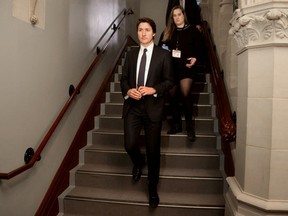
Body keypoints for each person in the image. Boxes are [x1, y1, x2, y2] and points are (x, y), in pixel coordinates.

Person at [120, 17, 174, 208]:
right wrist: (128, 90)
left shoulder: (163, 55)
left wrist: (154, 89)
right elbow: (124, 78)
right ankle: (137, 162)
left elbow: (169, 82)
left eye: (147, 30)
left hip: (153, 108)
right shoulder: (131, 54)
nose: (143, 33)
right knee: (129, 144)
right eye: (140, 30)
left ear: (153, 33)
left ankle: (152, 188)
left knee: (153, 151)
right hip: (133, 108)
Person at [159, 5, 204, 141]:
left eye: (179, 14)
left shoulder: (193, 31)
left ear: (183, 15)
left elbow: (201, 50)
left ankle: (190, 126)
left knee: (185, 93)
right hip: (171, 69)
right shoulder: (167, 32)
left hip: (187, 68)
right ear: (172, 18)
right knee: (172, 94)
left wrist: (195, 58)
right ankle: (177, 124)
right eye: (174, 15)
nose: (177, 17)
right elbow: (160, 50)